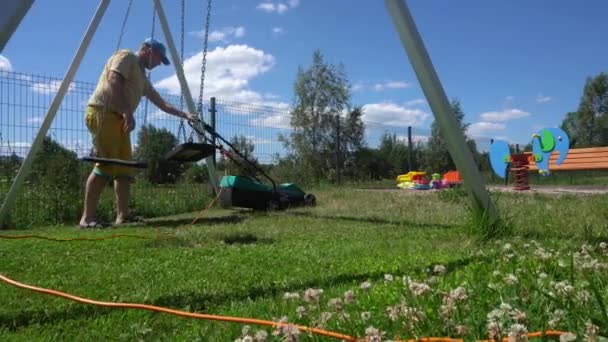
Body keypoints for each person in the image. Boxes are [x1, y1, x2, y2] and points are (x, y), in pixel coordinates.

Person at [79, 37, 197, 229]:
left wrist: (185, 114)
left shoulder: (142, 77)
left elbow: (161, 103)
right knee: (106, 164)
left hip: (120, 120)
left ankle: (123, 216)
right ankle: (87, 218)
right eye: (159, 58)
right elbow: (113, 79)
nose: (159, 64)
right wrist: (127, 111)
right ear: (148, 50)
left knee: (125, 169)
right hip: (103, 113)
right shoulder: (126, 56)